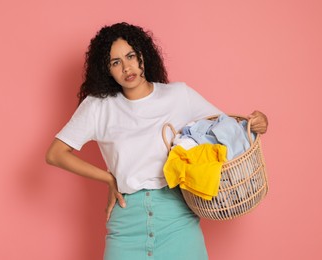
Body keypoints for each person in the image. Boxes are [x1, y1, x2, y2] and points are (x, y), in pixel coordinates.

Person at [46, 22, 268, 260]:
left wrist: (259, 122)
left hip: (177, 218)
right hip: (126, 223)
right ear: (106, 70)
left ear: (143, 54)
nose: (126, 67)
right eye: (115, 62)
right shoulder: (98, 106)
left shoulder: (178, 95)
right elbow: (55, 154)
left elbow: (228, 129)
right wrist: (109, 178)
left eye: (131, 56)